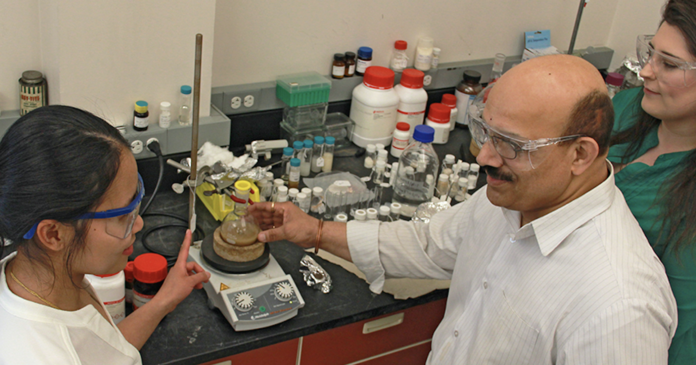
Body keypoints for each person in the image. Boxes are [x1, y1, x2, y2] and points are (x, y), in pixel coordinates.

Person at [249, 54, 678, 364]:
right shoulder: (517, 198)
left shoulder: (617, 309)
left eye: (510, 143)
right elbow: (429, 244)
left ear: (580, 155)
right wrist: (316, 233)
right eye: (484, 131)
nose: (484, 157)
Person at [0, 106, 211, 364]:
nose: (139, 223)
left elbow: (107, 351)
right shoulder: (48, 355)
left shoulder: (38, 278)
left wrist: (163, 300)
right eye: (122, 216)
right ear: (54, 234)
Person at [609, 1, 696, 363]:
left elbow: (680, 331)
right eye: (651, 53)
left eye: (669, 64)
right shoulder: (631, 106)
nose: (646, 71)